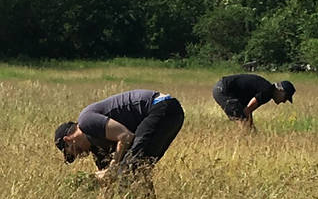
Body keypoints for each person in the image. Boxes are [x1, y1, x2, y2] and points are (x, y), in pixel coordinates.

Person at [54, 89, 185, 183]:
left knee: (132, 167)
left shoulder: (86, 121)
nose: (78, 156)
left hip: (162, 107)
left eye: (72, 153)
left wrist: (113, 168)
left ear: (68, 140)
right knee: (139, 168)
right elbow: (107, 182)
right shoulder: (97, 147)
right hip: (171, 114)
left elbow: (125, 136)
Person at [212, 73, 295, 130]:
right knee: (243, 122)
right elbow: (247, 111)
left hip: (221, 88)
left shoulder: (266, 88)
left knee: (246, 123)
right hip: (224, 90)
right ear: (281, 91)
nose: (284, 101)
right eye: (285, 98)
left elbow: (248, 110)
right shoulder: (267, 92)